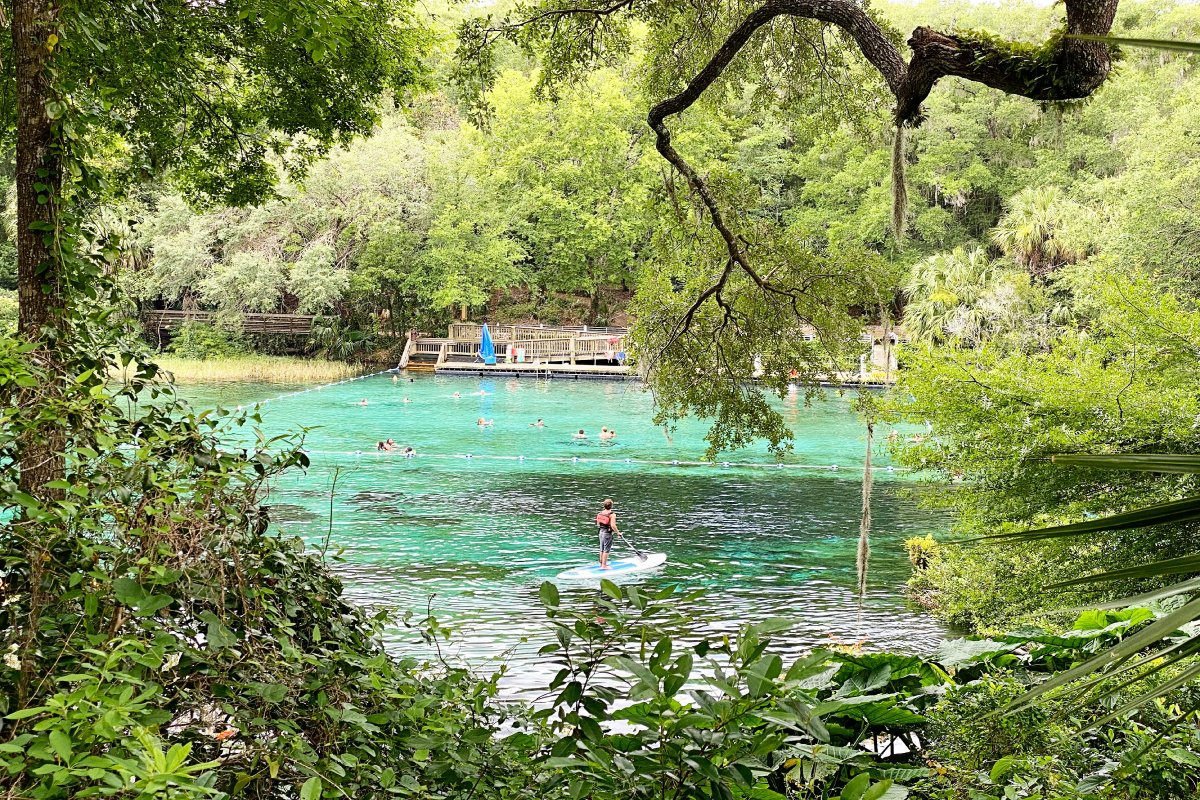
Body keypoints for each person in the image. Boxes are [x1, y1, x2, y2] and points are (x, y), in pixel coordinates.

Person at [596, 498, 621, 569]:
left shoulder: (600, 513)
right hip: (607, 534)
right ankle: (604, 566)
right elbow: (613, 525)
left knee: (602, 548)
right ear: (611, 506)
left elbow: (598, 523)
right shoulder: (612, 515)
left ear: (604, 506)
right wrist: (618, 533)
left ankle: (601, 564)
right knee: (606, 549)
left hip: (601, 532)